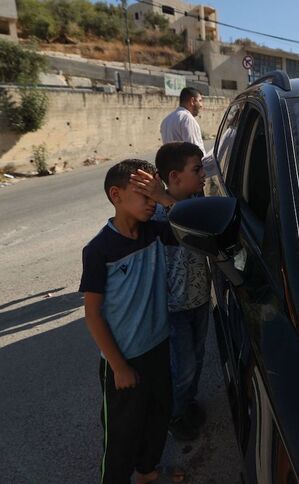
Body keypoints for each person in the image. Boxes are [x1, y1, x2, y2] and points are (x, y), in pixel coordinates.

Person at [80, 160, 183, 484]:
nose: (152, 202)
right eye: (144, 194)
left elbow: (193, 227)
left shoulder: (155, 231)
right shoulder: (99, 250)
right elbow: (93, 314)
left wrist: (166, 199)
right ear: (116, 195)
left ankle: (147, 472)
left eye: (155, 194)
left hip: (157, 346)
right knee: (122, 434)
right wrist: (119, 366)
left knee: (158, 415)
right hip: (124, 359)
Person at [135, 142, 210, 441]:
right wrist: (164, 200)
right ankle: (175, 415)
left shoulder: (196, 200)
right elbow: (183, 227)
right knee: (183, 368)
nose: (204, 174)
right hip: (173, 308)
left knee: (198, 358)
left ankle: (186, 403)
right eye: (197, 169)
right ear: (175, 177)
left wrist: (166, 197)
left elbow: (199, 224)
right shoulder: (153, 216)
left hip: (200, 300)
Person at [160, 87, 206, 156]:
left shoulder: (166, 120)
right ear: (192, 101)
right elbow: (195, 152)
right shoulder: (187, 119)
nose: (201, 105)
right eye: (200, 100)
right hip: (186, 166)